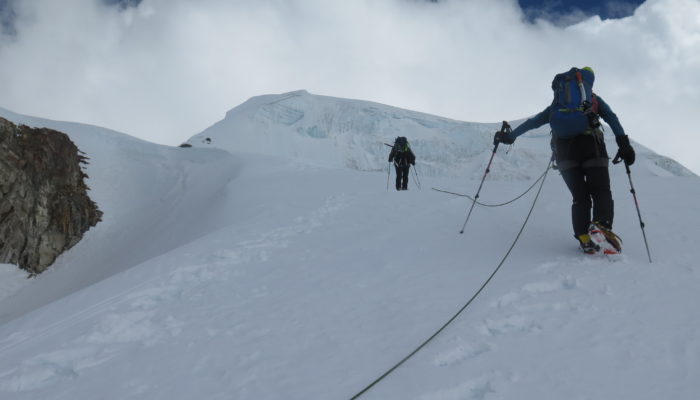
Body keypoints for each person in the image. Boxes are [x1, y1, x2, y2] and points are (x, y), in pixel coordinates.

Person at [494, 66, 635, 254]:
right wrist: (623, 144)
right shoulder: (593, 100)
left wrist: (511, 137)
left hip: (565, 154)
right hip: (591, 146)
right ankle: (600, 225)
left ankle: (584, 238)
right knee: (600, 190)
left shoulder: (556, 107)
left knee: (580, 197)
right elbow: (612, 118)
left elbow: (533, 122)